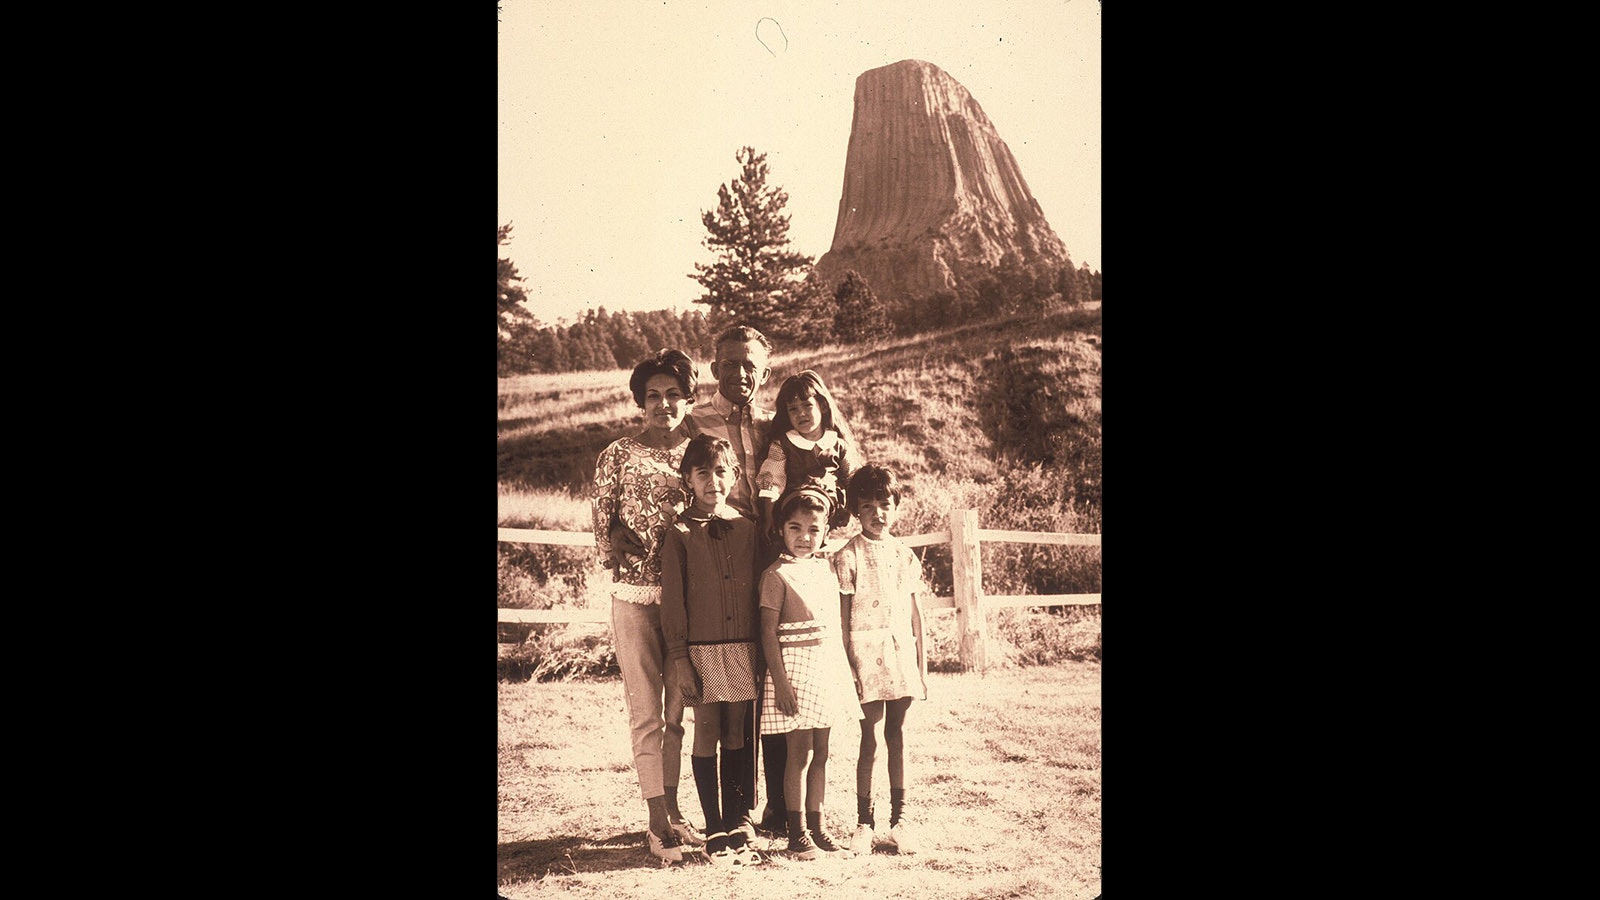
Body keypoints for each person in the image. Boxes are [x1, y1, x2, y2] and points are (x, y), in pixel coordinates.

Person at [591, 348, 704, 862]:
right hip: (636, 599)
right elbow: (601, 531)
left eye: (674, 395)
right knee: (646, 712)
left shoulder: (702, 452)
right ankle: (655, 821)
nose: (663, 404)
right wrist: (615, 536)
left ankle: (677, 813)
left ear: (688, 400)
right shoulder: (617, 455)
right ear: (640, 402)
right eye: (653, 396)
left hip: (689, 602)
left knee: (680, 710)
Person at [685, 324, 789, 837]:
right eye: (730, 363)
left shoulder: (778, 424)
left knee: (771, 680)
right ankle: (735, 812)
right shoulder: (694, 422)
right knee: (727, 689)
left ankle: (776, 808)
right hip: (714, 558)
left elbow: (825, 465)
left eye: (750, 364)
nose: (740, 373)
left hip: (769, 555)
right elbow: (668, 481)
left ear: (765, 371)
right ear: (713, 368)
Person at [659, 435, 764, 868]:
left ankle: (739, 817)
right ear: (688, 479)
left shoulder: (747, 528)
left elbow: (760, 589)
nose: (713, 481)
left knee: (737, 730)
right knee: (706, 731)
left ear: (734, 476)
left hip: (741, 646)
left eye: (721, 472)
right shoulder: (680, 534)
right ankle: (714, 822)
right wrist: (680, 657)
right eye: (703, 473)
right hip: (699, 649)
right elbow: (673, 601)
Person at [758, 486, 864, 859]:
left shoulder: (825, 568)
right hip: (795, 673)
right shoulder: (776, 575)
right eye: (795, 528)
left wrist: (842, 672)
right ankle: (796, 832)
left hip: (825, 669)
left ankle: (818, 828)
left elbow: (834, 626)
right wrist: (781, 684)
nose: (804, 537)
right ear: (781, 530)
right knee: (798, 754)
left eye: (813, 529)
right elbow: (768, 634)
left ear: (825, 531)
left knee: (823, 751)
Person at [833, 466, 928, 856]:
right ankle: (864, 823)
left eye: (885, 505)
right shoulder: (847, 555)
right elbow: (841, 620)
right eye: (868, 506)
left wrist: (922, 667)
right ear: (856, 510)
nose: (878, 513)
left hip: (900, 651)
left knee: (897, 735)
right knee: (869, 737)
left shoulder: (905, 556)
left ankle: (900, 821)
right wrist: (848, 668)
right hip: (864, 655)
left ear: (896, 507)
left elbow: (916, 615)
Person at [756, 369, 864, 538]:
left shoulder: (837, 444)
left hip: (832, 519)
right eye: (793, 409)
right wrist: (769, 517)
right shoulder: (782, 444)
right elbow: (772, 481)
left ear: (822, 405)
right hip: (796, 521)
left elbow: (854, 478)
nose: (801, 413)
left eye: (807, 405)